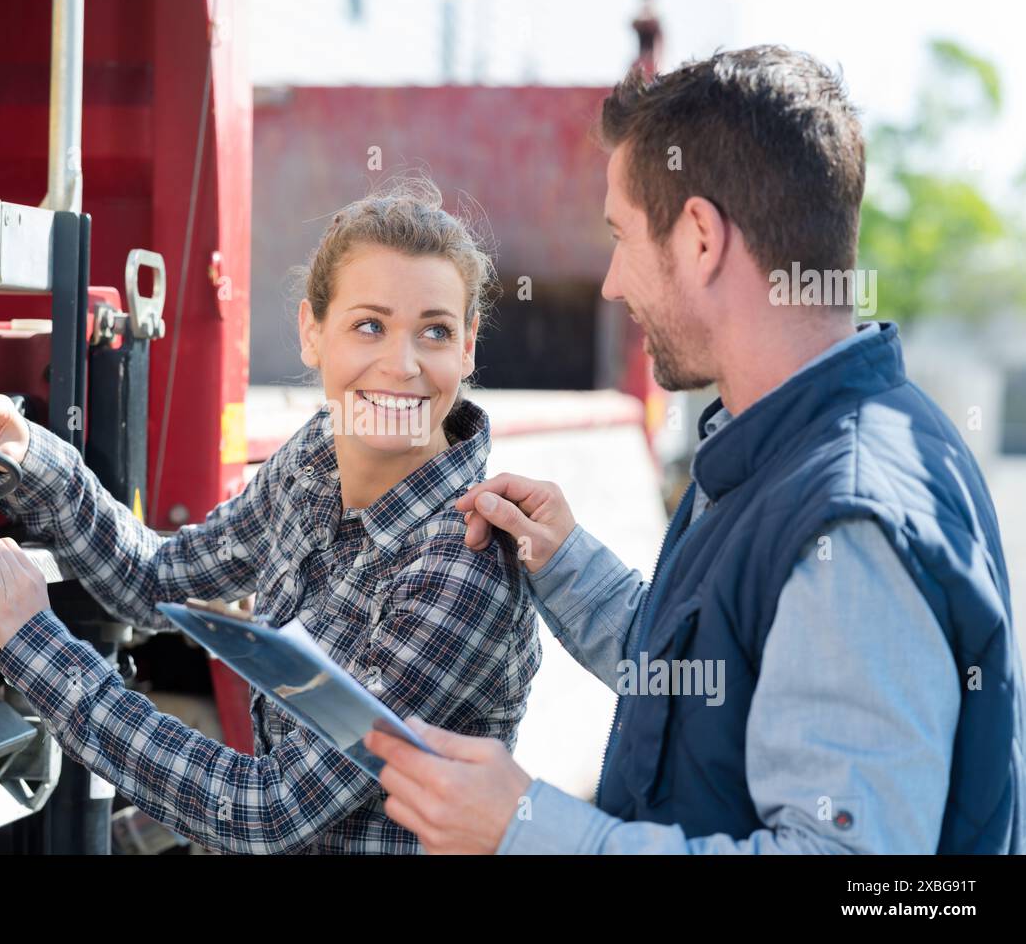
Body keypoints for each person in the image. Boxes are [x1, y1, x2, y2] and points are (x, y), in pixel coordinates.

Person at [366, 46, 1026, 854]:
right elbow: (726, 688)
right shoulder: (788, 443)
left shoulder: (851, 519)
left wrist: (530, 827)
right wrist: (568, 565)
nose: (611, 282)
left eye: (623, 236)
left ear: (702, 238)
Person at [0, 180, 541, 854]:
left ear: (467, 348)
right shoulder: (317, 458)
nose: (401, 364)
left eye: (434, 331)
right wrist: (31, 453)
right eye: (369, 325)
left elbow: (267, 810)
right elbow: (159, 578)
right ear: (312, 332)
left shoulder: (463, 563)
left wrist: (37, 645)